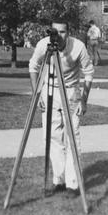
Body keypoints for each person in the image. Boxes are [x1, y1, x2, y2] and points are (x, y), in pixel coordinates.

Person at [29, 21, 94, 198]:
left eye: (63, 31)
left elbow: (88, 72)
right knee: (51, 137)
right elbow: (33, 66)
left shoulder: (78, 47)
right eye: (55, 31)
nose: (58, 35)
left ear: (69, 32)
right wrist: (37, 92)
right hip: (49, 91)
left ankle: (73, 184)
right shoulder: (44, 45)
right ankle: (60, 179)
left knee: (72, 138)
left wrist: (84, 100)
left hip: (71, 92)